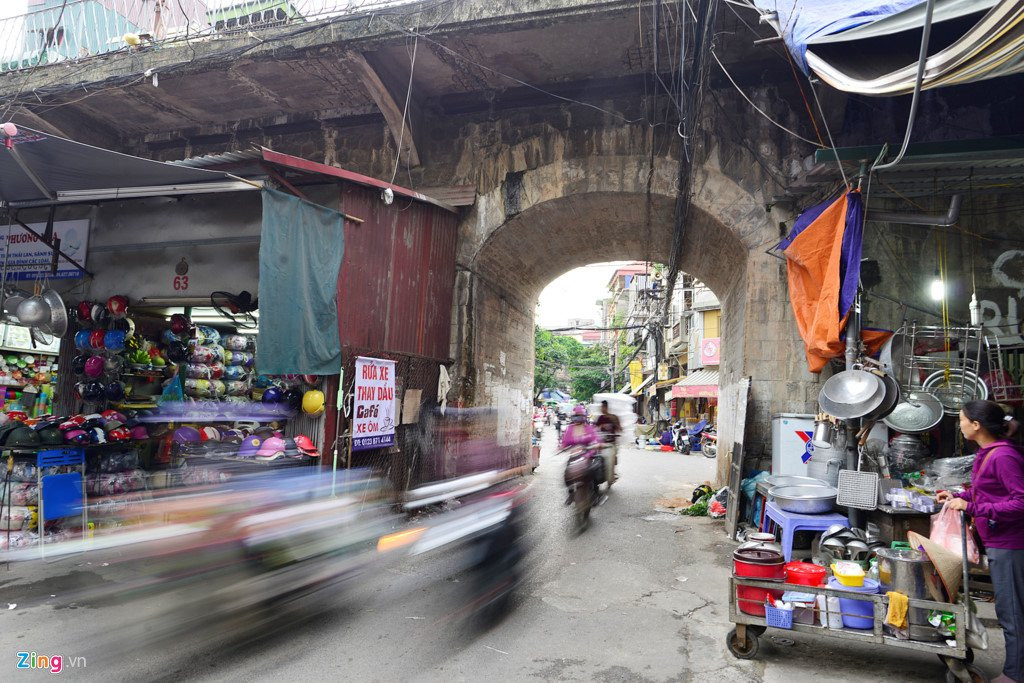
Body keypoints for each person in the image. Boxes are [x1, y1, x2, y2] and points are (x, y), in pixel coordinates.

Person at [937, 400, 1024, 683]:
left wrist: (974, 508)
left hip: (1010, 543)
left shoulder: (1003, 456)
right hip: (997, 539)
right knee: (1007, 609)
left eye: (962, 419)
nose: (959, 424)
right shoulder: (988, 452)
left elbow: (1020, 502)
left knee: (1011, 611)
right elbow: (989, 492)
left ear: (976, 425)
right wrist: (961, 498)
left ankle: (1015, 674)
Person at [595, 400, 622, 485]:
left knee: (612, 459)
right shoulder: (600, 418)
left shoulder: (614, 417)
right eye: (600, 407)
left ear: (606, 407)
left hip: (611, 444)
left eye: (602, 407)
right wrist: (600, 427)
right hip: (601, 443)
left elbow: (620, 429)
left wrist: (614, 422)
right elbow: (594, 430)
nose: (601, 409)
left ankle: (612, 475)